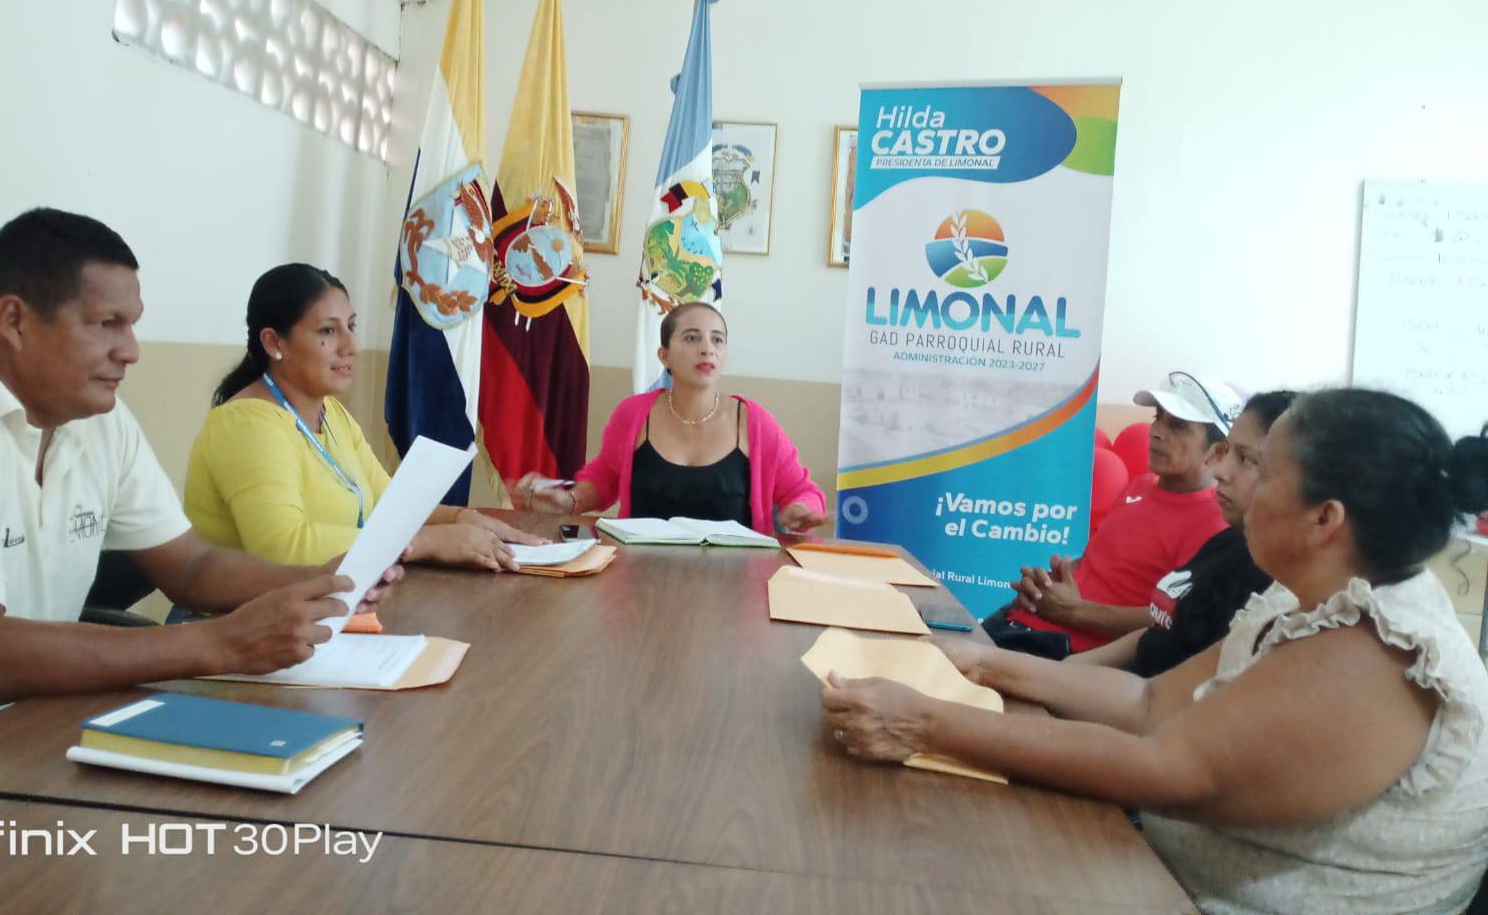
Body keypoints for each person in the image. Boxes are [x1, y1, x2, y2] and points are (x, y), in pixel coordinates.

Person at [821, 389, 1488, 915]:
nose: (1225, 473)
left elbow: (1162, 767)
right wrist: (982, 662)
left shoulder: (1379, 653)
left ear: (1324, 519)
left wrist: (925, 722)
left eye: (1258, 466)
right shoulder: (1302, 598)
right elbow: (1149, 701)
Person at [0, 210, 400, 757]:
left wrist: (322, 581)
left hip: (36, 735)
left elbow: (189, 565)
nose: (131, 350)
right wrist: (217, 643)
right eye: (106, 324)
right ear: (15, 322)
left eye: (131, 325)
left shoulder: (98, 421)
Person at [185, 263, 543, 572]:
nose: (351, 346)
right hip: (240, 619)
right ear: (273, 342)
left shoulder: (331, 413)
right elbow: (282, 547)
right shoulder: (247, 424)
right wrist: (428, 542)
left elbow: (388, 505)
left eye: (351, 326)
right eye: (328, 331)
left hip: (323, 607)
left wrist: (462, 519)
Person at [511, 303, 825, 534]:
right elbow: (603, 480)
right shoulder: (633, 415)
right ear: (664, 356)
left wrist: (802, 510)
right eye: (691, 338)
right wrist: (568, 502)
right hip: (638, 578)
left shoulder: (754, 422)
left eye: (717, 340)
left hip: (734, 582)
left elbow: (804, 491)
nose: (707, 349)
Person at [986, 371, 1240, 657]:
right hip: (1019, 624)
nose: (1156, 431)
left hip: (1064, 655)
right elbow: (1098, 566)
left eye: (1178, 425)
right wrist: (1043, 586)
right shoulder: (1141, 486)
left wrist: (1074, 611)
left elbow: (1175, 622)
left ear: (1217, 452)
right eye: (1158, 417)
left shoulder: (1215, 523)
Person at [1076, 390, 1293, 676]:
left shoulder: (1266, 584)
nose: (1221, 470)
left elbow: (1161, 693)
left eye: (1247, 459)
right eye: (1157, 417)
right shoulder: (1228, 545)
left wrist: (1074, 614)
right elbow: (1159, 631)